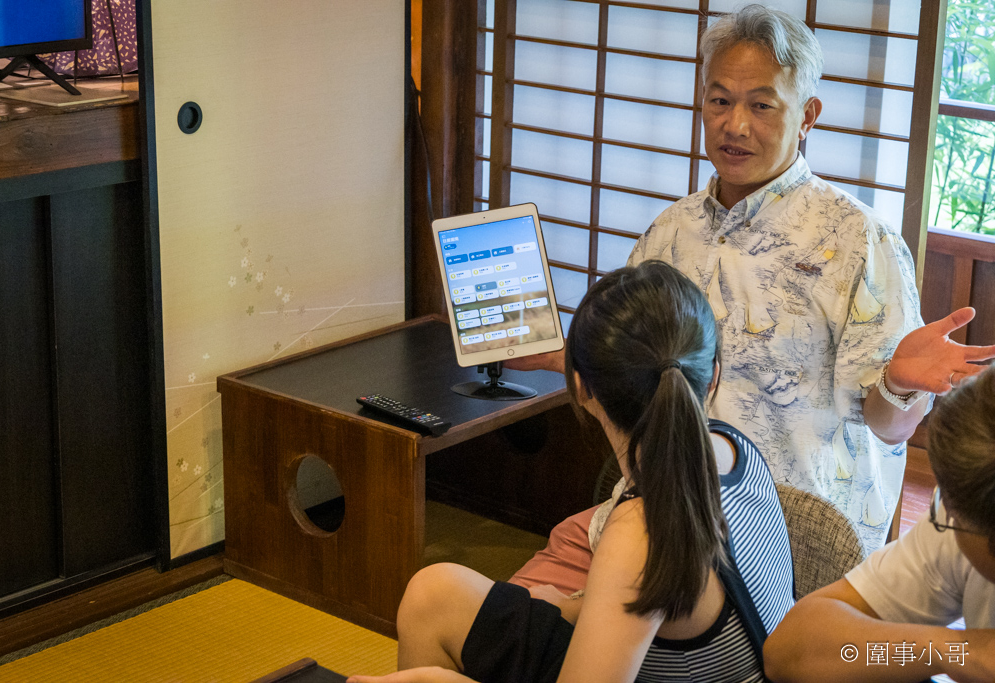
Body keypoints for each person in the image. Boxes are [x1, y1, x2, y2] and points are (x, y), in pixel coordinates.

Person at [508, 4, 969, 572]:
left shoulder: (858, 239)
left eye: (761, 105)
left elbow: (889, 427)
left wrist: (899, 385)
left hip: (788, 538)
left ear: (807, 116)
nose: (736, 125)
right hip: (665, 509)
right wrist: (558, 354)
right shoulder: (670, 231)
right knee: (510, 596)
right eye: (720, 100)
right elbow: (632, 370)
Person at [349, 260, 795, 683]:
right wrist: (575, 605)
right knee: (433, 592)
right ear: (712, 376)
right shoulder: (732, 447)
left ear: (580, 387)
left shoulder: (639, 533)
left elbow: (647, 574)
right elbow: (665, 600)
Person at [762, 363, 995, 683]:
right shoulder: (963, 518)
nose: (945, 512)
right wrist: (949, 650)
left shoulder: (970, 517)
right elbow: (790, 649)